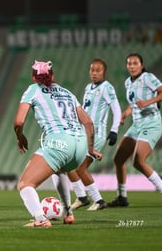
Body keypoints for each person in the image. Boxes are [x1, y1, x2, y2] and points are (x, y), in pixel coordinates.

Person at [14, 60, 102, 228]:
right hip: (80, 145)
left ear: (34, 77)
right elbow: (89, 122)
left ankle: (40, 219)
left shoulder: (33, 89)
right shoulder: (67, 93)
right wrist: (90, 149)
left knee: (25, 185)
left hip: (59, 142)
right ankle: (68, 213)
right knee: (59, 170)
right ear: (52, 75)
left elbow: (18, 122)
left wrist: (20, 137)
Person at [107, 53, 162, 208]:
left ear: (141, 65)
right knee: (118, 159)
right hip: (137, 125)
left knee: (138, 161)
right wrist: (126, 113)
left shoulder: (148, 77)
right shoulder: (127, 83)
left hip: (151, 124)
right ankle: (122, 197)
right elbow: (135, 103)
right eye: (129, 63)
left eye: (135, 63)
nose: (131, 66)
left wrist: (149, 102)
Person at [68, 58, 122, 211]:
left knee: (81, 168)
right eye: (92, 70)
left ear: (104, 72)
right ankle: (82, 197)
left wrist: (114, 130)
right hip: (82, 133)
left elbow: (116, 109)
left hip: (96, 134)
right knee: (68, 165)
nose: (94, 73)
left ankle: (98, 201)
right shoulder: (88, 88)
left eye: (98, 70)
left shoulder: (107, 88)